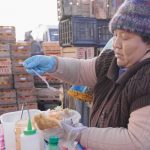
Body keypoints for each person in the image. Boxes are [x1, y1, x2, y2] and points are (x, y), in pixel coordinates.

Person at [23, 0, 150, 149]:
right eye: (115, 35)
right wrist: (54, 64)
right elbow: (81, 70)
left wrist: (77, 134)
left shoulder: (146, 78)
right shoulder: (111, 61)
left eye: (125, 37)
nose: (116, 44)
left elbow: (137, 141)